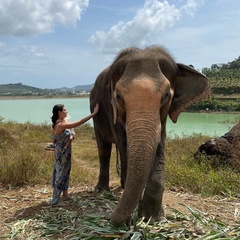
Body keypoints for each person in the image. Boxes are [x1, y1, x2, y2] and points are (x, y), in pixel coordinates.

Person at [50, 103, 99, 206]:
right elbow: (80, 122)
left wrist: (69, 138)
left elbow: (56, 138)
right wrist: (93, 114)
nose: (66, 111)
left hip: (65, 151)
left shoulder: (60, 122)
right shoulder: (61, 125)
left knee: (66, 172)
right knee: (60, 174)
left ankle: (65, 194)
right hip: (62, 153)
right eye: (64, 110)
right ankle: (56, 200)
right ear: (59, 112)